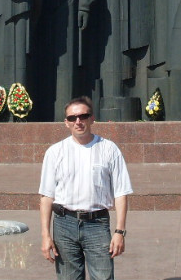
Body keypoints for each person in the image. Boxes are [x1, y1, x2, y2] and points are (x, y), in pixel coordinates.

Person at [39, 96, 132, 280]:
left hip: (97, 224)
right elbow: (46, 196)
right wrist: (45, 235)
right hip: (64, 224)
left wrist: (119, 232)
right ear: (66, 122)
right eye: (72, 118)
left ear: (92, 119)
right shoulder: (55, 152)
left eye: (83, 116)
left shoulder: (109, 149)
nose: (78, 121)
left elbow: (121, 193)